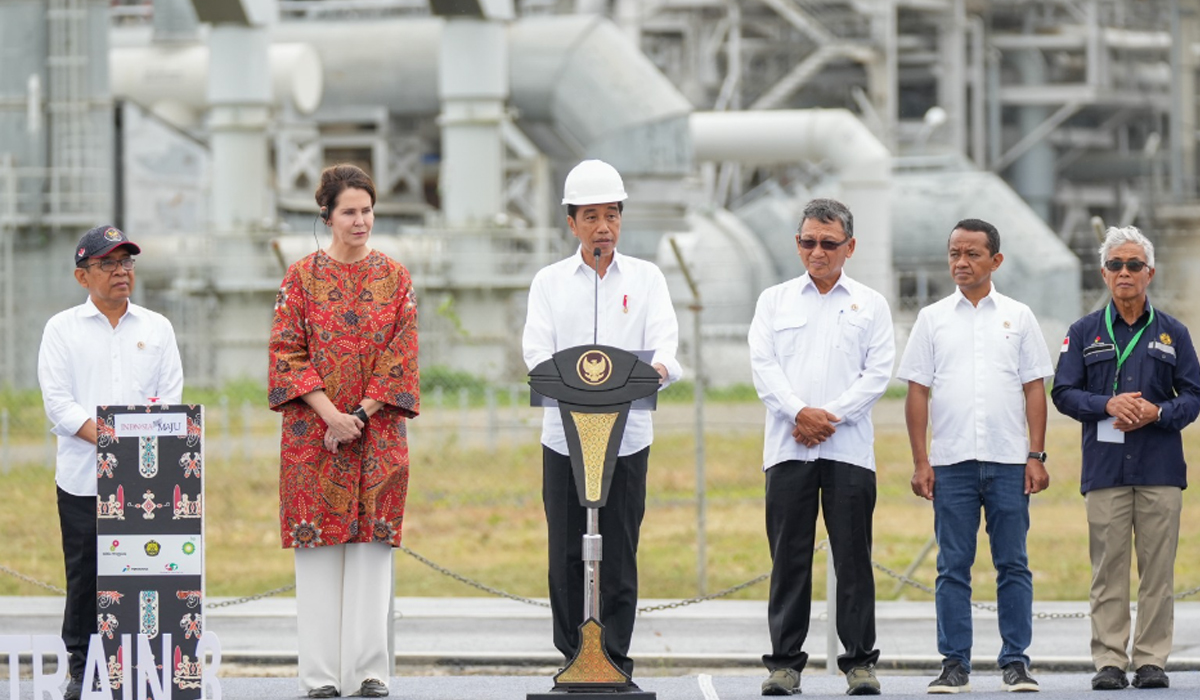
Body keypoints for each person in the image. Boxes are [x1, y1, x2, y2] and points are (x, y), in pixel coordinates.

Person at [521, 159, 682, 681]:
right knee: (566, 553)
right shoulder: (549, 282)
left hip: (627, 438)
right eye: (590, 216)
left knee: (618, 553)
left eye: (611, 215)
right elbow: (536, 355)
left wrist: (656, 369)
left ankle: (615, 660)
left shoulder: (647, 278)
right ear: (571, 223)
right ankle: (573, 657)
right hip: (565, 441)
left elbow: (666, 346)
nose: (603, 228)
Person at [268, 164, 420, 699]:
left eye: (367, 209)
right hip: (313, 439)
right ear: (327, 216)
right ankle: (320, 677)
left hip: (378, 438)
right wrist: (330, 414)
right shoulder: (300, 278)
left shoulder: (396, 278)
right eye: (349, 211)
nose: (361, 220)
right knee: (316, 556)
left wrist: (360, 413)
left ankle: (369, 671)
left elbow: (402, 356)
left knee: (371, 553)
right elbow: (287, 353)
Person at [896, 219, 1052, 694]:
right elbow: (918, 393)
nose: (961, 263)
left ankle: (1016, 661)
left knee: (1013, 564)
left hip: (1008, 461)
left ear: (995, 260)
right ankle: (954, 663)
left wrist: (1036, 454)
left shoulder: (1019, 317)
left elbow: (1034, 389)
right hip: (952, 463)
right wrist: (921, 461)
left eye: (972, 254)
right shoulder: (932, 318)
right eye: (954, 254)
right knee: (952, 566)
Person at [748, 198, 893, 696]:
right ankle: (784, 665)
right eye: (808, 241)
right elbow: (764, 369)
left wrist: (827, 418)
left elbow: (877, 375)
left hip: (848, 451)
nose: (817, 251)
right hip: (788, 450)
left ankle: (859, 664)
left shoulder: (871, 304)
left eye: (829, 243)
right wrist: (798, 413)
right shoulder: (774, 301)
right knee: (789, 558)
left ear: (849, 247)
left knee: (854, 558)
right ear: (797, 243)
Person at [38, 225, 184, 700]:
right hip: (83, 478)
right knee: (86, 576)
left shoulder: (157, 328)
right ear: (83, 277)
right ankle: (82, 668)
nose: (122, 272)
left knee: (146, 574)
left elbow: (170, 399)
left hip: (146, 479)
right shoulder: (61, 329)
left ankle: (145, 664)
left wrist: (134, 448)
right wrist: (111, 443)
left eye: (127, 262)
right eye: (108, 264)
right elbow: (59, 404)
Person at [1051, 225, 1200, 691]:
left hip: (1159, 469)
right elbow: (1063, 392)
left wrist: (1158, 411)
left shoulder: (1173, 333)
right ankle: (1110, 661)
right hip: (1106, 469)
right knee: (1108, 569)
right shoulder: (1083, 332)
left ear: (1149, 272)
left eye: (1134, 265)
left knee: (1157, 570)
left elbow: (1194, 395)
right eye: (1116, 265)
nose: (1124, 273)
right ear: (1103, 273)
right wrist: (1107, 405)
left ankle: (1152, 659)